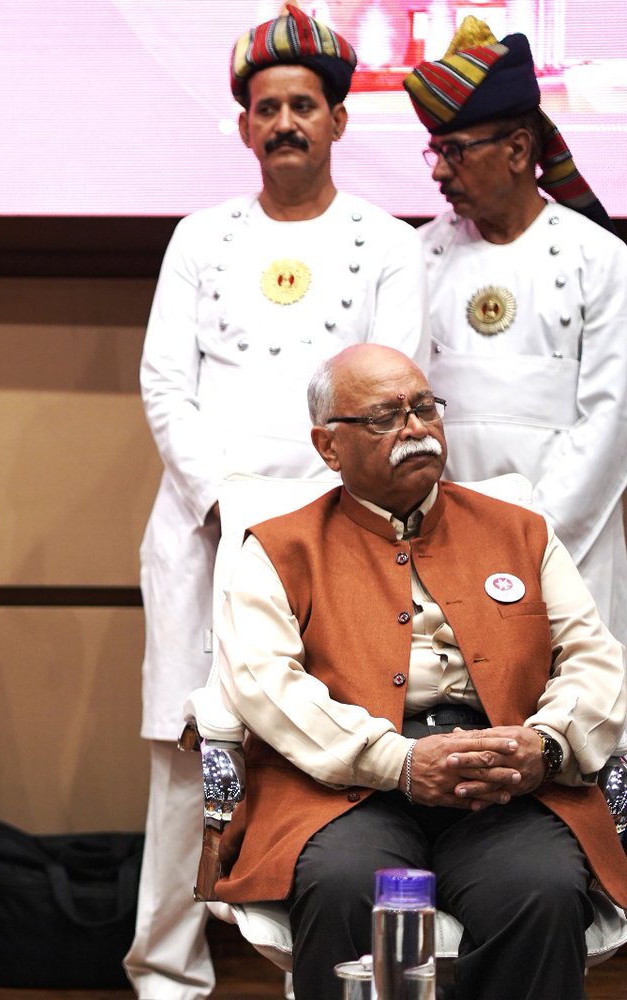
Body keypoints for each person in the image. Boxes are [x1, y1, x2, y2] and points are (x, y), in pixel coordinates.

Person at [130, 6, 427, 996]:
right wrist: (225, 502)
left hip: (334, 534)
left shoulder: (391, 243)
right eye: (268, 108)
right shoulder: (198, 236)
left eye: (304, 105)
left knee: (326, 748)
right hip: (205, 528)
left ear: (340, 120)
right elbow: (166, 384)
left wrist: (304, 522)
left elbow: (390, 390)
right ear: (245, 126)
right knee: (186, 758)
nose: (286, 122)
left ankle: (320, 969)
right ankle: (166, 972)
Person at [215, 343, 627, 999]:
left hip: (503, 781)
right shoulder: (278, 548)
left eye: (425, 407)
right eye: (384, 417)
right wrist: (400, 761)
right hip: (346, 791)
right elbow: (268, 687)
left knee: (540, 889)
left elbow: (594, 659)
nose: (415, 429)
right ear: (328, 445)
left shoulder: (522, 532)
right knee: (345, 884)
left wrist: (545, 745)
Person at [403, 16, 627, 639]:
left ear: (520, 149)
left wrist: (535, 540)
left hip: (572, 548)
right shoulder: (417, 259)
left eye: (454, 151)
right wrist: (452, 540)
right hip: (441, 548)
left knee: (576, 723)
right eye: (435, 151)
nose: (438, 172)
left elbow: (612, 419)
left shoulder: (601, 258)